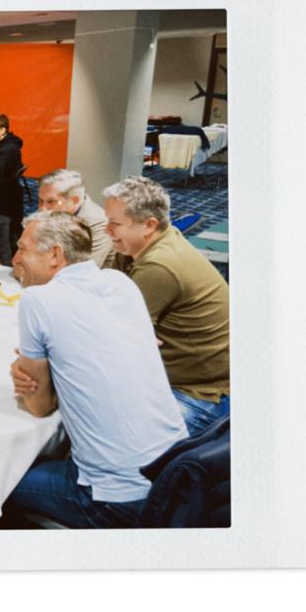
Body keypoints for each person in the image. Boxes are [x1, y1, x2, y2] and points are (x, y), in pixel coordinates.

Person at [5, 210, 188, 528]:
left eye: (22, 248)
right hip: (176, 476)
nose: (15, 259)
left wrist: (24, 370)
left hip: (114, 498)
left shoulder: (38, 300)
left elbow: (39, 406)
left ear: (55, 255)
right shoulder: (121, 283)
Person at [103, 176, 230, 436]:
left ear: (149, 225)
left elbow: (110, 338)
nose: (107, 230)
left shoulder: (158, 265)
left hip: (198, 393)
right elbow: (102, 303)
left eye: (115, 224)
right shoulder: (136, 247)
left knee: (109, 432)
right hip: (174, 378)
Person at [36, 169, 114, 268]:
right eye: (40, 201)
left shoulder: (99, 223)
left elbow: (84, 270)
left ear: (75, 201)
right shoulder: (50, 215)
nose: (42, 209)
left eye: (51, 202)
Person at [0, 113, 25, 259]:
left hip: (6, 201)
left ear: (2, 130)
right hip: (8, 195)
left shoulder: (8, 149)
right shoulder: (3, 146)